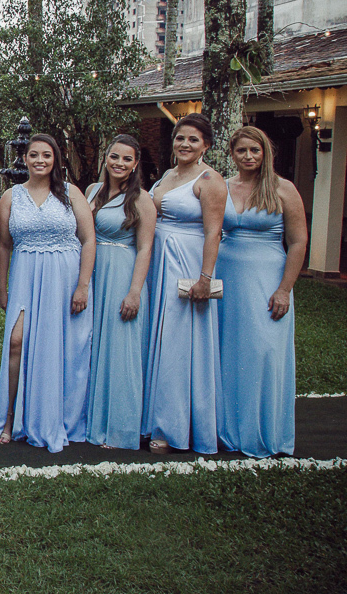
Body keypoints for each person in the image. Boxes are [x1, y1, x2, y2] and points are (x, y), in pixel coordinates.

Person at [0, 134, 95, 453]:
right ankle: (10, 417)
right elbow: (4, 244)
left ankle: (56, 416)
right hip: (26, 274)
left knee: (60, 347)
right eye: (33, 154)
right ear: (25, 158)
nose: (39, 160)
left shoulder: (71, 193)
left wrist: (83, 285)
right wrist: (2, 286)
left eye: (46, 155)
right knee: (16, 342)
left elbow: (89, 240)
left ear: (55, 159)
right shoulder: (10, 196)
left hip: (64, 277)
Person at [217, 126, 306, 457]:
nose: (248, 156)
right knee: (227, 350)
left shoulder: (283, 189)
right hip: (227, 276)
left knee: (263, 351)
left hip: (267, 277)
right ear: (232, 153)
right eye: (242, 151)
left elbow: (298, 242)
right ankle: (225, 429)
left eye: (255, 150)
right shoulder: (223, 187)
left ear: (265, 152)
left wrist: (284, 289)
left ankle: (263, 431)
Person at [143, 113, 227, 455]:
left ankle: (173, 427)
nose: (185, 145)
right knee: (159, 337)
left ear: (206, 144)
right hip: (158, 259)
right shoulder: (167, 175)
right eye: (180, 138)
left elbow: (214, 231)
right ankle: (151, 417)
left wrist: (205, 278)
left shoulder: (210, 180)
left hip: (186, 262)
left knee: (178, 343)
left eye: (193, 139)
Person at [85, 135, 156, 450]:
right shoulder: (92, 191)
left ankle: (120, 429)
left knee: (119, 351)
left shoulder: (141, 199)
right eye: (114, 157)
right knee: (91, 347)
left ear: (135, 164)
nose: (119, 163)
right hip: (93, 274)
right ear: (106, 158)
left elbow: (145, 249)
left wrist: (134, 292)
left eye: (127, 159)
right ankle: (90, 420)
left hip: (122, 274)